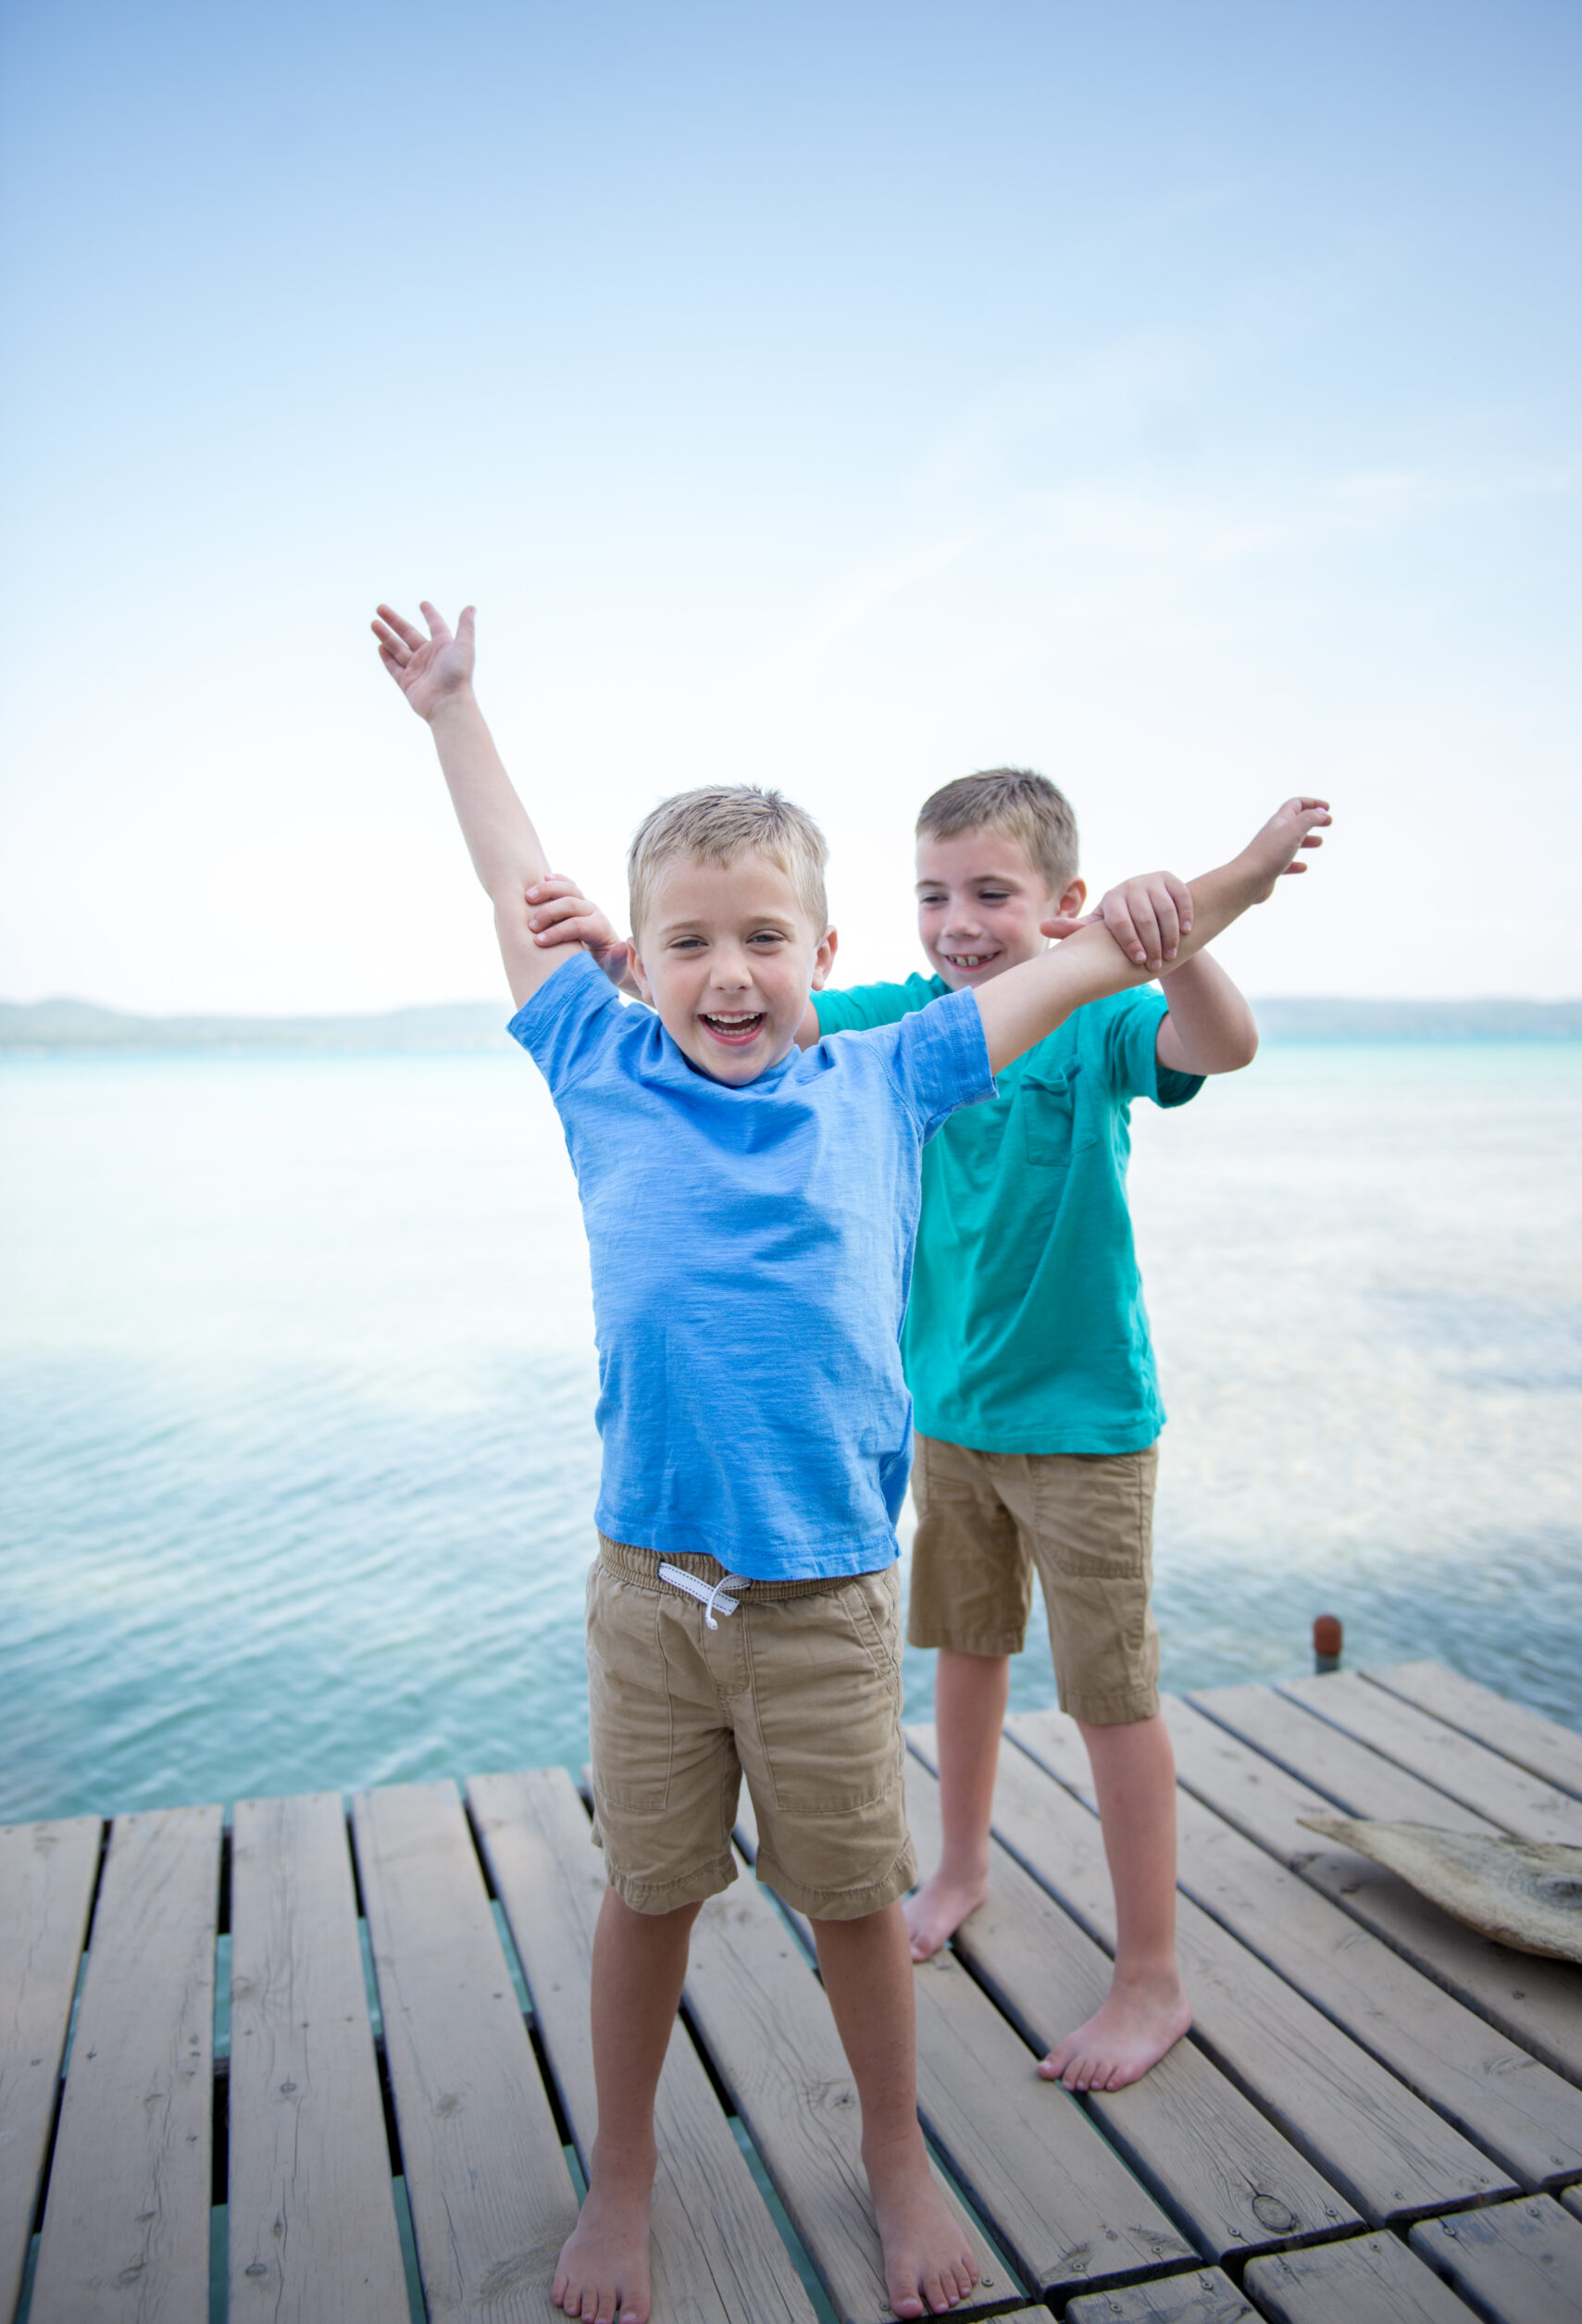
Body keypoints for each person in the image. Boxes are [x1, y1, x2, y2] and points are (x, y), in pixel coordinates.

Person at [373, 598, 1328, 2324]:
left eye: (763, 939)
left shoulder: (892, 1077)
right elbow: (512, 878)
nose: (727, 975)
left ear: (827, 953)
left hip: (820, 1603)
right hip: (648, 1596)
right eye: (686, 943)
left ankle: (895, 2160)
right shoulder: (594, 1060)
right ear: (633, 962)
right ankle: (626, 2178)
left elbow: (1098, 962)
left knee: (850, 1906)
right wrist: (454, 711)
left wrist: (1231, 875)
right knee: (647, 1896)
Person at [804, 768, 1261, 2096]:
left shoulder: (1092, 1013)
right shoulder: (905, 1022)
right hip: (945, 1414)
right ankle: (955, 1868)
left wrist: (1179, 943)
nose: (957, 922)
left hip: (1085, 1423)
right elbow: (777, 1024)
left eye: (989, 894)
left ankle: (1150, 1975)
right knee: (962, 1647)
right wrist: (632, 965)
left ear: (1062, 906)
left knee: (1109, 1693)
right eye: (934, 894)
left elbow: (1217, 1048)